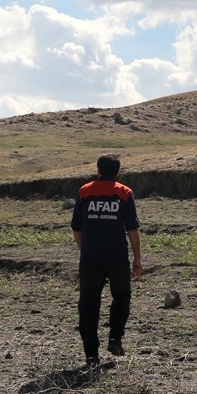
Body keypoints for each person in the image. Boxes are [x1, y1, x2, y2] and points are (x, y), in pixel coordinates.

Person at [70, 154, 143, 367]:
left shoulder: (84, 191)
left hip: (91, 258)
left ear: (98, 169)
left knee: (88, 304)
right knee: (122, 296)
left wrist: (84, 249)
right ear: (118, 172)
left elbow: (76, 227)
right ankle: (115, 338)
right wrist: (137, 257)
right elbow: (132, 228)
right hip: (117, 257)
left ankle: (91, 355)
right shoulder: (124, 192)